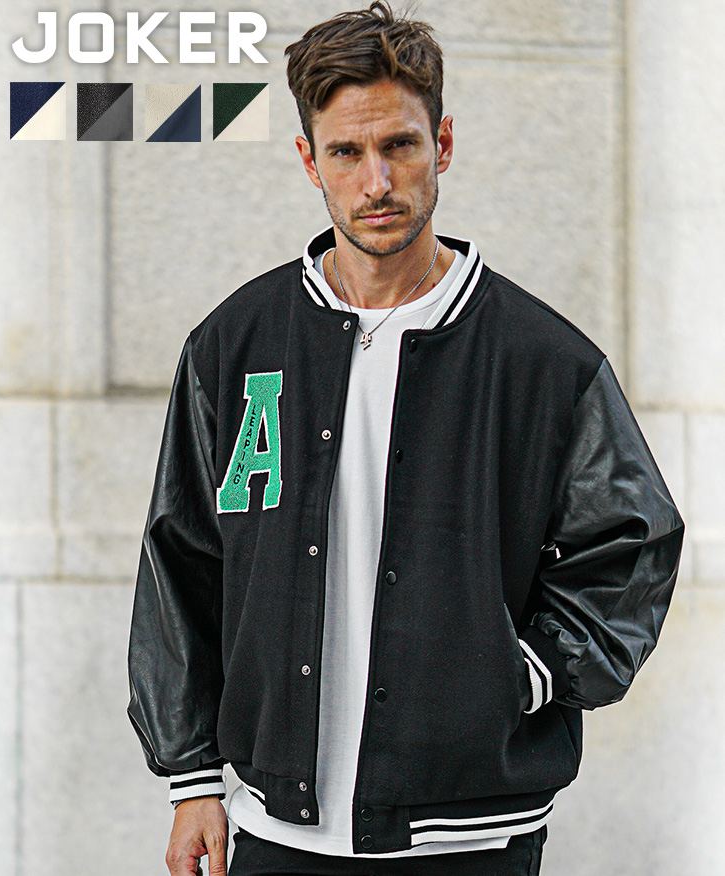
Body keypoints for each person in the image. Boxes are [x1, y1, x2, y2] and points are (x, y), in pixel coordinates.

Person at [126, 2, 686, 874]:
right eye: (347, 153)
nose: (376, 182)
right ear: (309, 160)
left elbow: (632, 545)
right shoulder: (236, 346)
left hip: (474, 832)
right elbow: (182, 560)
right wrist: (191, 777)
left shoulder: (544, 361)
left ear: (444, 143)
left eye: (400, 145)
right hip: (277, 828)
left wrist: (519, 674)